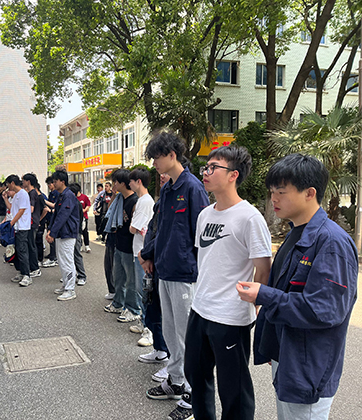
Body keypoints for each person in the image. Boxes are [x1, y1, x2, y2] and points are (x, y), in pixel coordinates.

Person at [237, 154, 358, 420]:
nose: (273, 199)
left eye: (281, 192)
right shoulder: (296, 233)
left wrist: (264, 295)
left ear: (309, 193)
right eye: (272, 192)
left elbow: (324, 310)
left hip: (309, 368)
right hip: (289, 356)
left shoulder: (331, 242)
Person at [184, 146, 272, 420]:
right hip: (200, 309)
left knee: (234, 389)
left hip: (231, 317)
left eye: (214, 167)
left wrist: (252, 305)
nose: (206, 172)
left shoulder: (250, 217)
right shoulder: (204, 215)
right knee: (196, 376)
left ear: (234, 175)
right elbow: (207, 260)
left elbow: (263, 270)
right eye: (206, 167)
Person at [144, 130, 209, 420]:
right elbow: (163, 231)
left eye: (157, 157)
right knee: (170, 331)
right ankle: (176, 380)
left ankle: (193, 396)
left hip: (185, 273)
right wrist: (148, 254)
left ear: (172, 155)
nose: (154, 163)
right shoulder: (168, 188)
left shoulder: (192, 188)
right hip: (165, 270)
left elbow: (202, 235)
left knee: (186, 335)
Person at [137, 173, 171, 382]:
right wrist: (147, 255)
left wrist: (146, 253)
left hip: (166, 265)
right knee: (152, 309)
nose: (162, 176)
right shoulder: (161, 200)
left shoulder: (185, 196)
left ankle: (173, 365)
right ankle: (160, 349)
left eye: (166, 173)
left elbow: (166, 235)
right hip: (153, 262)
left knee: (170, 319)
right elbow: (152, 230)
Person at [103, 169, 140, 323]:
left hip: (130, 247)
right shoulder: (119, 198)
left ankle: (133, 309)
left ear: (123, 183)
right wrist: (113, 195)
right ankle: (118, 303)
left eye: (116, 182)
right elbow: (110, 212)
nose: (114, 185)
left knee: (131, 281)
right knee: (118, 277)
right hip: (118, 243)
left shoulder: (135, 201)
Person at [128, 167, 155, 346]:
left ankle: (149, 329)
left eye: (131, 181)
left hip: (142, 253)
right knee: (141, 289)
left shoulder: (145, 202)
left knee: (145, 291)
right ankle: (143, 321)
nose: (129, 184)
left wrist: (133, 225)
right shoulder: (143, 200)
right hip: (139, 250)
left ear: (138, 182)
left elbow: (133, 228)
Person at [46, 170, 80, 301]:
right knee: (61, 260)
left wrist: (52, 232)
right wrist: (51, 230)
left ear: (62, 181)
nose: (53, 184)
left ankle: (70, 289)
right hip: (62, 233)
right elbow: (56, 214)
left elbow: (62, 216)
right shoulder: (61, 195)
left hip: (68, 233)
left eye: (55, 181)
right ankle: (66, 284)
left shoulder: (68, 196)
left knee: (67, 260)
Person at [4, 175, 38, 287]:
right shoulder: (16, 195)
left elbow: (21, 210)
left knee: (22, 251)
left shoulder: (23, 194)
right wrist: (5, 199)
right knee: (17, 251)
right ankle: (21, 272)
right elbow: (11, 208)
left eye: (8, 184)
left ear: (12, 183)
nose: (8, 187)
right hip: (16, 227)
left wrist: (12, 223)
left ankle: (27, 275)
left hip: (22, 227)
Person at [22, 173, 42, 278]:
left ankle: (35, 268)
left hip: (32, 222)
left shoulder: (32, 193)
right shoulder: (31, 193)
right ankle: (33, 267)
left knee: (31, 245)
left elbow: (31, 209)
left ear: (28, 182)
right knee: (31, 244)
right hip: (32, 222)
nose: (22, 182)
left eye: (23, 180)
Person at [68, 183, 88, 286]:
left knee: (76, 254)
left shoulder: (76, 204)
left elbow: (78, 221)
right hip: (69, 232)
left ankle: (82, 276)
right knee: (69, 255)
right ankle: (71, 275)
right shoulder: (69, 202)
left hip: (76, 232)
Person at [42, 176, 59, 267]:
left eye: (50, 184)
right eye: (48, 184)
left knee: (52, 237)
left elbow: (55, 206)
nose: (49, 186)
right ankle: (52, 254)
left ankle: (53, 257)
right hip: (50, 218)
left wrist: (45, 202)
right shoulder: (51, 193)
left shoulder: (56, 193)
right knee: (49, 237)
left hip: (54, 217)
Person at [76, 185, 92, 252]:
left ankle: (87, 246)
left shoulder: (84, 197)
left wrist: (84, 210)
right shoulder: (74, 197)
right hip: (76, 217)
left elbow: (88, 205)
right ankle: (80, 245)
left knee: (85, 231)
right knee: (78, 232)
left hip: (84, 216)